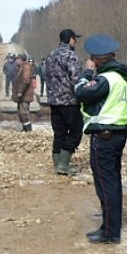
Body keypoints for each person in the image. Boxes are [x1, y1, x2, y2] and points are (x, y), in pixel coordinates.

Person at [75, 34, 127, 244]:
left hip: (105, 136)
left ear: (98, 59)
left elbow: (81, 93)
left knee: (106, 184)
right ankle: (110, 227)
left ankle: (110, 232)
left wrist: (86, 72)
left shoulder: (106, 79)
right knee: (113, 182)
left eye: (93, 58)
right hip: (119, 133)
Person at [45, 29, 83, 175]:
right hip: (69, 101)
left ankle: (57, 165)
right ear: (70, 40)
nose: (76, 42)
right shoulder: (71, 56)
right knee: (75, 132)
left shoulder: (50, 55)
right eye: (75, 39)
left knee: (59, 133)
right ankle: (63, 165)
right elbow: (76, 79)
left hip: (54, 102)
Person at [12, 53, 35, 131]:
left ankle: (28, 131)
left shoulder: (26, 67)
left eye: (17, 59)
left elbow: (26, 80)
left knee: (24, 113)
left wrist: (20, 91)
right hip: (22, 96)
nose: (15, 61)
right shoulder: (20, 67)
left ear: (20, 60)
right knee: (20, 113)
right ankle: (24, 129)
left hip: (25, 95)